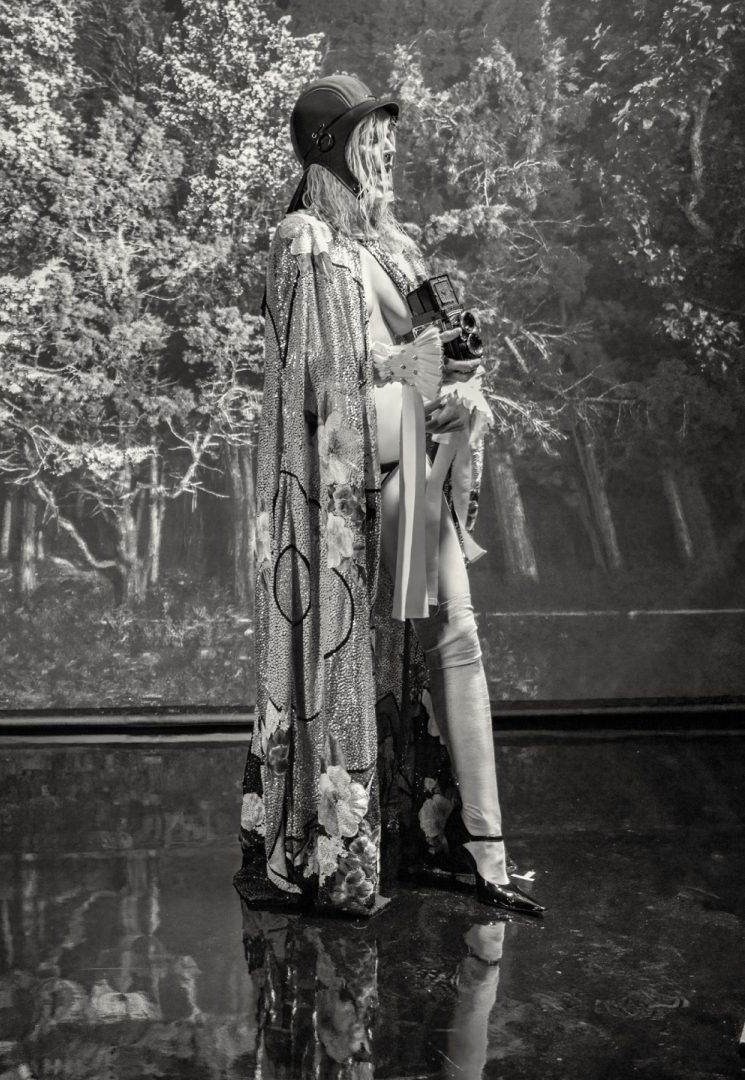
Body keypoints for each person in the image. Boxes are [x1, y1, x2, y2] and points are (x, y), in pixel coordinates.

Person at [235, 76, 543, 917]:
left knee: (453, 636)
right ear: (331, 145)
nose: (388, 147)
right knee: (350, 649)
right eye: (372, 134)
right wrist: (410, 371)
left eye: (387, 134)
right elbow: (306, 382)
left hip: (409, 459)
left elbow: (439, 353)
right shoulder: (302, 239)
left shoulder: (395, 246)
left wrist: (463, 387)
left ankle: (483, 851)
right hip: (346, 483)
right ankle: (334, 848)